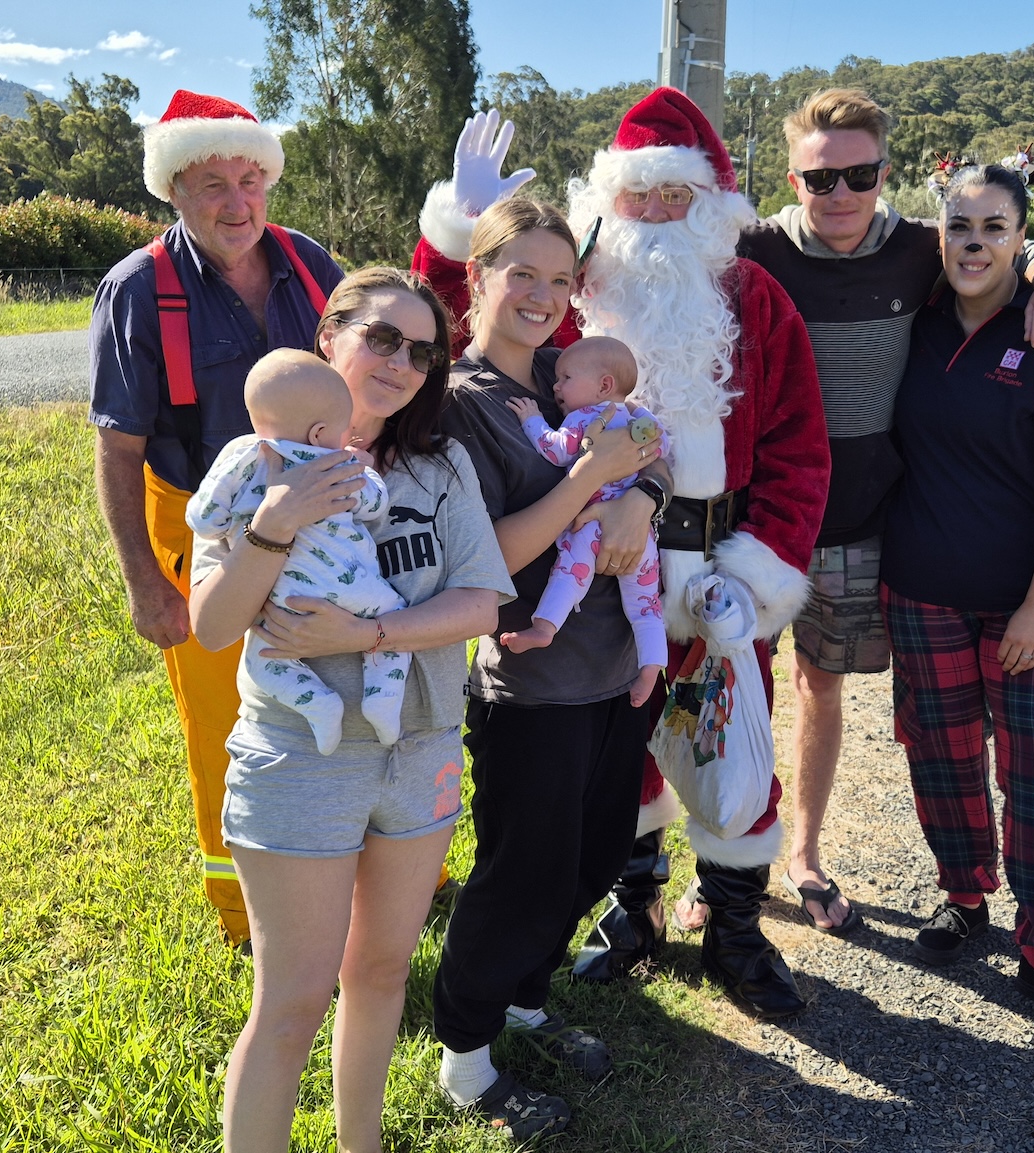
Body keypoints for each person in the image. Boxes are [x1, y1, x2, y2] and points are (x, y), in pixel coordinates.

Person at [417, 93, 831, 1024]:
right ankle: (632, 906)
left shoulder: (755, 298)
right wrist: (458, 223)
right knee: (618, 753)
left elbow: (801, 446)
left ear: (710, 204)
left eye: (674, 197)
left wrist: (760, 570)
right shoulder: (574, 290)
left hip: (721, 570)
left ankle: (735, 929)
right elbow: (455, 320)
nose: (654, 215)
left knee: (730, 745)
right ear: (611, 198)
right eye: (638, 197)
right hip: (591, 571)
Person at [734, 87, 1034, 936]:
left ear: (885, 174)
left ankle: (803, 853)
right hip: (755, 520)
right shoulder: (755, 248)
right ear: (793, 180)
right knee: (734, 687)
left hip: (859, 522)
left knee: (819, 687)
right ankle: (728, 862)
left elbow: (1004, 237)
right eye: (821, 179)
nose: (841, 194)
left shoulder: (919, 248)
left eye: (860, 175)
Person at [189, 266, 516, 1150]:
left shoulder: (440, 466)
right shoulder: (253, 462)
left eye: (423, 351)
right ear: (329, 337)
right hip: (300, 756)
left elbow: (483, 603)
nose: (401, 362)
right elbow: (211, 625)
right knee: (292, 1002)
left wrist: (367, 635)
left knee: (380, 974)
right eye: (382, 337)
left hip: (420, 750)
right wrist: (277, 522)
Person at [425, 195, 666, 1139]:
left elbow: (647, 443)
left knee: (594, 856)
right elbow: (485, 555)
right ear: (478, 275)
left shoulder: (571, 373)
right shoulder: (462, 401)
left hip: (615, 666)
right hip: (533, 682)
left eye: (560, 279)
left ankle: (526, 1000)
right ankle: (466, 1058)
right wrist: (589, 482)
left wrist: (642, 496)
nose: (542, 294)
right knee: (521, 871)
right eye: (520, 272)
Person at [880, 163, 1034, 1041]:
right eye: (960, 225)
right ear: (939, 233)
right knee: (940, 755)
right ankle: (964, 895)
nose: (975, 243)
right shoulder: (915, 318)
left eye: (995, 227)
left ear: (1021, 238)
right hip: (925, 592)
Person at [89, 89, 345, 948]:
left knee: (341, 684)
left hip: (321, 518)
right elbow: (117, 450)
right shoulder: (137, 290)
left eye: (250, 180)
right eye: (212, 186)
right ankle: (247, 914)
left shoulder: (312, 265)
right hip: (201, 525)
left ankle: (377, 868)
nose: (238, 204)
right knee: (226, 725)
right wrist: (144, 585)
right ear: (174, 190)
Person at [185, 350, 406, 755]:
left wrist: (239, 516)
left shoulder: (241, 459)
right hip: (348, 586)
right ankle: (383, 698)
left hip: (275, 601)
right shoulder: (336, 463)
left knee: (263, 661)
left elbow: (202, 519)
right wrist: (364, 469)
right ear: (320, 433)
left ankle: (319, 705)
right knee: (393, 616)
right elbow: (375, 505)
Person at [499, 335, 669, 708]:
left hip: (592, 526)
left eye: (566, 378)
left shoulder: (584, 417)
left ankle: (544, 627)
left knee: (568, 574)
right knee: (646, 606)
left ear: (604, 386)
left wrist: (532, 419)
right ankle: (651, 667)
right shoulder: (637, 418)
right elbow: (662, 446)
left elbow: (556, 450)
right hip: (640, 534)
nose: (556, 386)